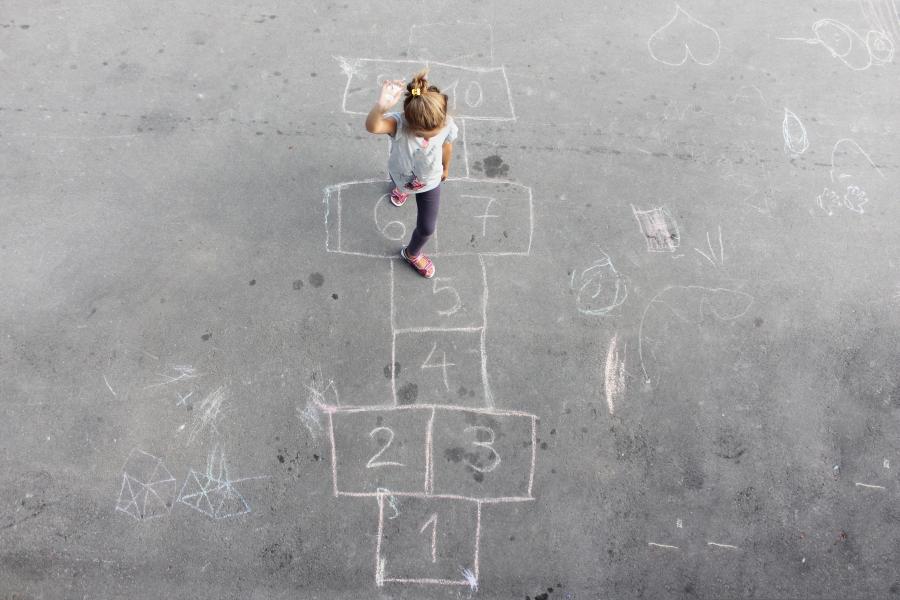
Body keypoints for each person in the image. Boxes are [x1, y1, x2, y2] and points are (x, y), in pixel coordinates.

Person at [365, 70, 458, 278]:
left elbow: (447, 146)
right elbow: (372, 126)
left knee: (426, 228)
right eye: (420, 134)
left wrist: (446, 167)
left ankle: (412, 253)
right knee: (400, 184)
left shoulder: (445, 123)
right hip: (401, 175)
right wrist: (381, 107)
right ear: (409, 120)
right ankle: (402, 191)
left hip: (430, 181)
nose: (428, 136)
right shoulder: (399, 124)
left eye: (433, 132)